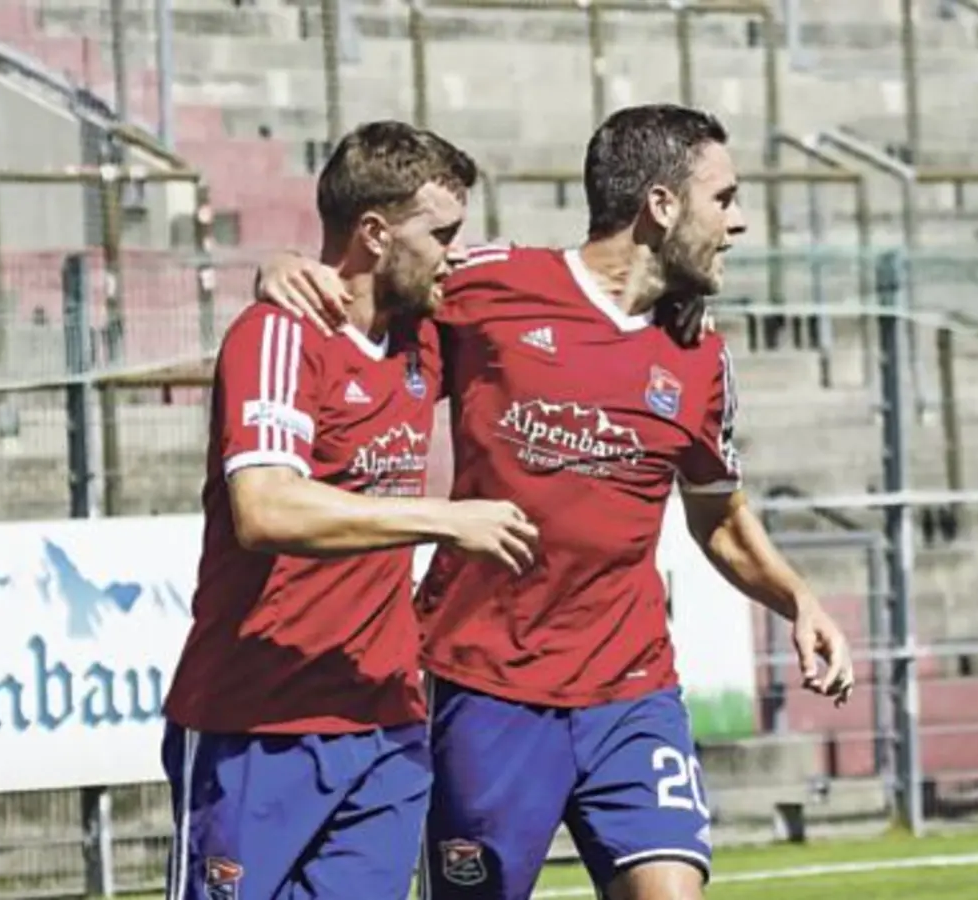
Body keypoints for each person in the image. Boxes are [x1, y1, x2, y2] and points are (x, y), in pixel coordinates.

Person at [255, 104, 856, 900]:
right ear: (661, 204)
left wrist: (797, 599)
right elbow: (374, 277)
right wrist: (282, 266)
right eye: (724, 198)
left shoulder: (700, 355)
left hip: (631, 689)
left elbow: (719, 516)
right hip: (482, 688)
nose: (738, 222)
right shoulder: (492, 284)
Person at [159, 120, 540, 900]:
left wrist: (675, 300)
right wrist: (444, 518)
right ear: (373, 232)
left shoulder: (426, 336)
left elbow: (566, 287)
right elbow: (263, 509)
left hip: (384, 722)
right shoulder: (278, 334)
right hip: (258, 721)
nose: (455, 254)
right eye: (441, 234)